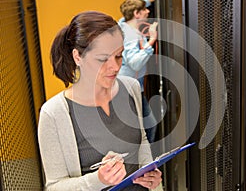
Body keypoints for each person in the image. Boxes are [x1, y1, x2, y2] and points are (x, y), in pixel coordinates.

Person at [37, 10, 162, 191]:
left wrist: (149, 173)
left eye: (119, 55)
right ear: (77, 57)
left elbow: (141, 140)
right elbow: (54, 187)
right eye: (103, 59)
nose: (115, 66)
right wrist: (98, 180)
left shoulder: (131, 88)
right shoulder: (54, 113)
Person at [118, 0, 158, 143]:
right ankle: (145, 163)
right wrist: (152, 40)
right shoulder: (130, 35)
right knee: (147, 126)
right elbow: (134, 62)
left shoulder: (123, 24)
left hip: (131, 87)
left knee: (145, 126)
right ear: (136, 13)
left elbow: (133, 6)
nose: (148, 11)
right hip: (128, 89)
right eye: (144, 9)